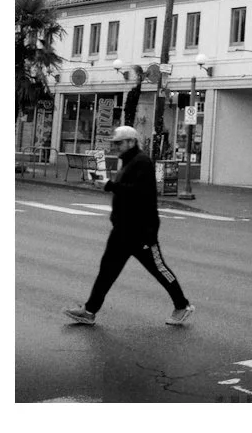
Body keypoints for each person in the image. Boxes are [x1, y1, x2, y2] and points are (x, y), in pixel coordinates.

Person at [64, 126, 194, 326]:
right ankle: (89, 311)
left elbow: (138, 193)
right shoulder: (128, 162)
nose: (116, 146)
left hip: (141, 231)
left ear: (132, 142)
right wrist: (109, 186)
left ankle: (182, 305)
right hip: (122, 231)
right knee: (107, 270)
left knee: (159, 269)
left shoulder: (142, 162)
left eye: (119, 143)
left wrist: (110, 185)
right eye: (115, 143)